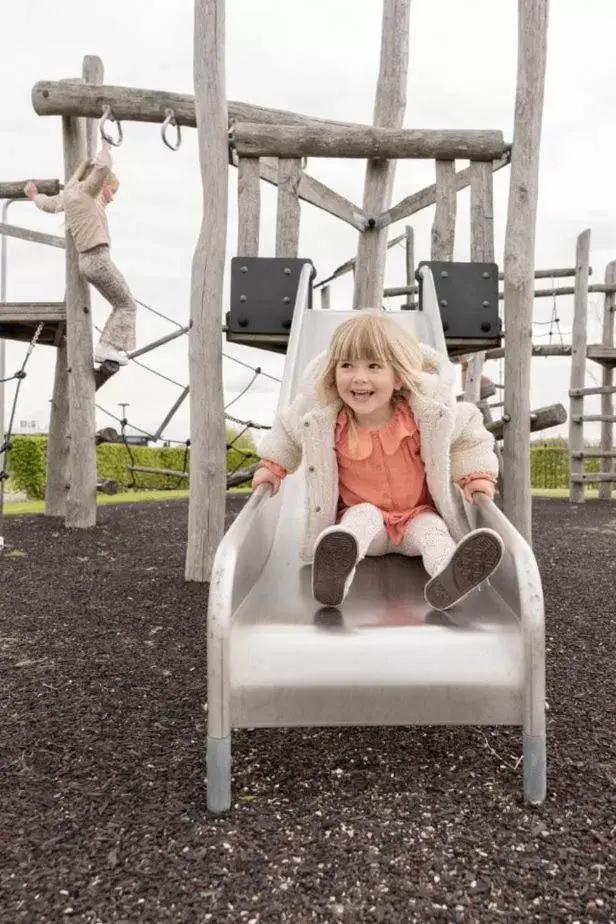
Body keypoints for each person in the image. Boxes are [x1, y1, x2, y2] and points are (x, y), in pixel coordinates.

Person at [252, 311, 504, 611]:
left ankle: (450, 576)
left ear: (397, 377)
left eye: (373, 366)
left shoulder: (426, 415)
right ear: (333, 373)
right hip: (367, 523)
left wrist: (475, 474)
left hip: (416, 516)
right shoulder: (323, 419)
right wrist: (272, 466)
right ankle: (335, 571)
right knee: (359, 520)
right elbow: (287, 430)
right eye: (347, 366)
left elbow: (467, 434)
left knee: (434, 532)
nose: (359, 377)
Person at [24, 139, 135, 366]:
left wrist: (34, 195)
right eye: (110, 191)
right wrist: (105, 148)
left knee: (120, 302)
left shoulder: (72, 196)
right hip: (98, 259)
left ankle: (108, 345)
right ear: (98, 185)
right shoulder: (85, 195)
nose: (112, 197)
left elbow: (49, 204)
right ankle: (107, 347)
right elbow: (102, 169)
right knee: (127, 304)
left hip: (88, 261)